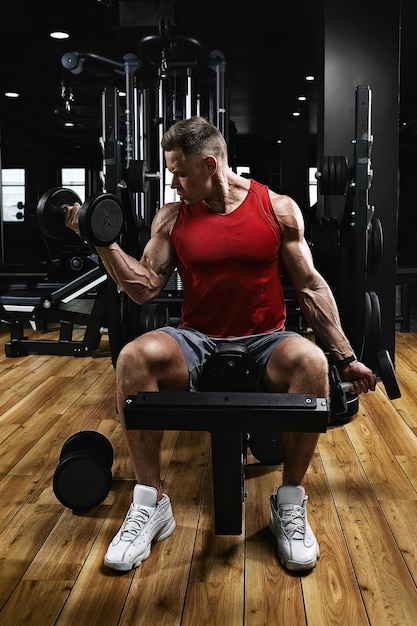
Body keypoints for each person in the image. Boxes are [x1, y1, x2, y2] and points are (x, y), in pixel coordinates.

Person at [65, 115, 375, 573]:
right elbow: (145, 286)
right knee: (133, 357)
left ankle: (289, 500)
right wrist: (100, 240)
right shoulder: (173, 217)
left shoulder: (278, 208)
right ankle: (151, 502)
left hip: (267, 339)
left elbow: (309, 286)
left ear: (210, 164)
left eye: (179, 172)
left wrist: (345, 357)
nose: (172, 182)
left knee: (310, 361)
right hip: (197, 339)